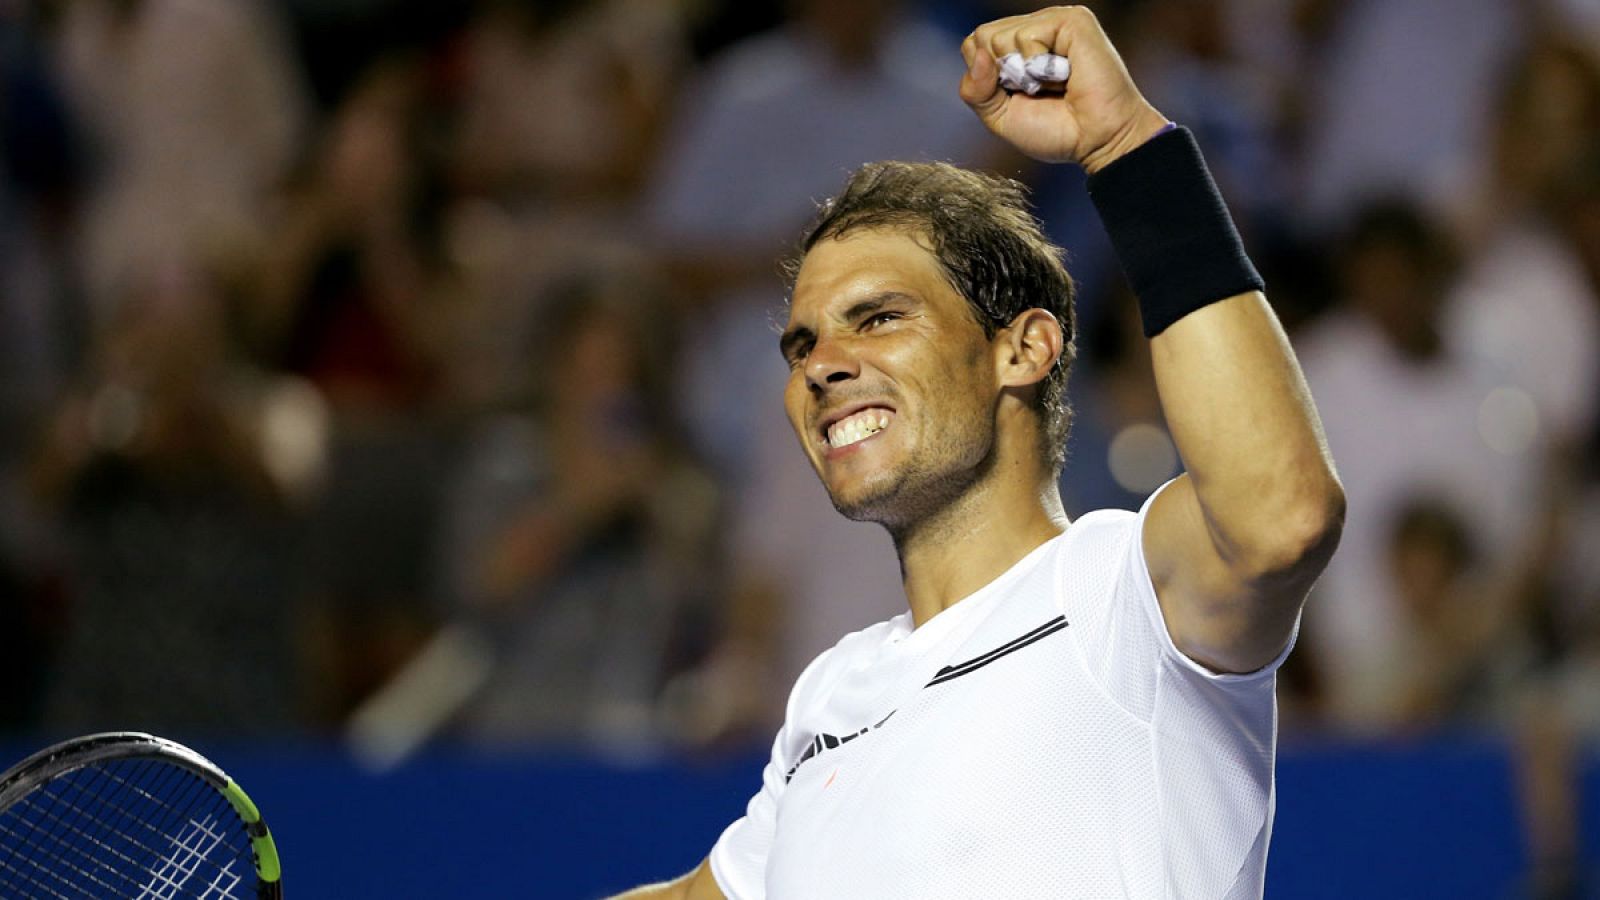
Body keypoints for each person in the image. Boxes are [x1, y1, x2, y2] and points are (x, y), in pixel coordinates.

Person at [617, 6, 1344, 898]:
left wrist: (1125, 144)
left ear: (1023, 349)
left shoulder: (1124, 595)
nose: (822, 366)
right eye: (800, 345)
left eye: (879, 318)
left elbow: (1281, 513)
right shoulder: (831, 698)